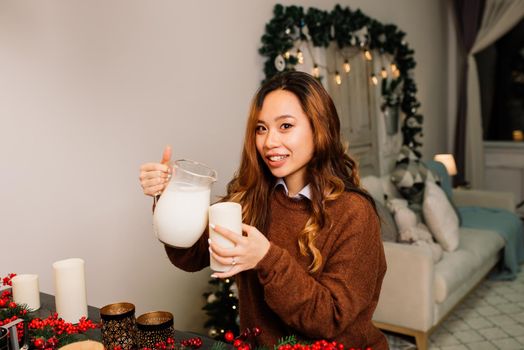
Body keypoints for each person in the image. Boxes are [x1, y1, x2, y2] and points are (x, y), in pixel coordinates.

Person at [139, 71, 388, 349]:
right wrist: (167, 197)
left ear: (319, 129)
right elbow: (190, 256)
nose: (269, 142)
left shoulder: (354, 212)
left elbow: (330, 319)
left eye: (285, 126)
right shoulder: (252, 197)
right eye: (261, 128)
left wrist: (266, 259)